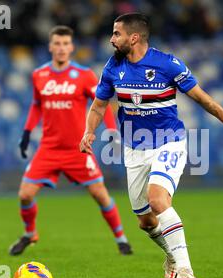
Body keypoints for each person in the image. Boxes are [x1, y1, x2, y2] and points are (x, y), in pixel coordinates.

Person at [80, 13, 223, 278]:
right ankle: (171, 257)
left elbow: (201, 97)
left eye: (116, 34)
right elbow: (99, 106)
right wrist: (89, 131)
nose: (111, 39)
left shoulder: (167, 64)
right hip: (134, 148)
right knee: (146, 222)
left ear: (133, 37)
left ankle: (185, 270)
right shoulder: (113, 66)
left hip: (168, 142)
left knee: (157, 199)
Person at [9, 26, 133, 256]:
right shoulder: (39, 75)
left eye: (66, 44)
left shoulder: (84, 75)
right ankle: (30, 234)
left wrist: (113, 132)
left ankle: (121, 239)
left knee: (100, 194)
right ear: (50, 46)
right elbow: (37, 105)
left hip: (78, 149)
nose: (61, 48)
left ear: (71, 47)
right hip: (48, 148)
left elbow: (101, 103)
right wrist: (27, 132)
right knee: (25, 194)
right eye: (57, 43)